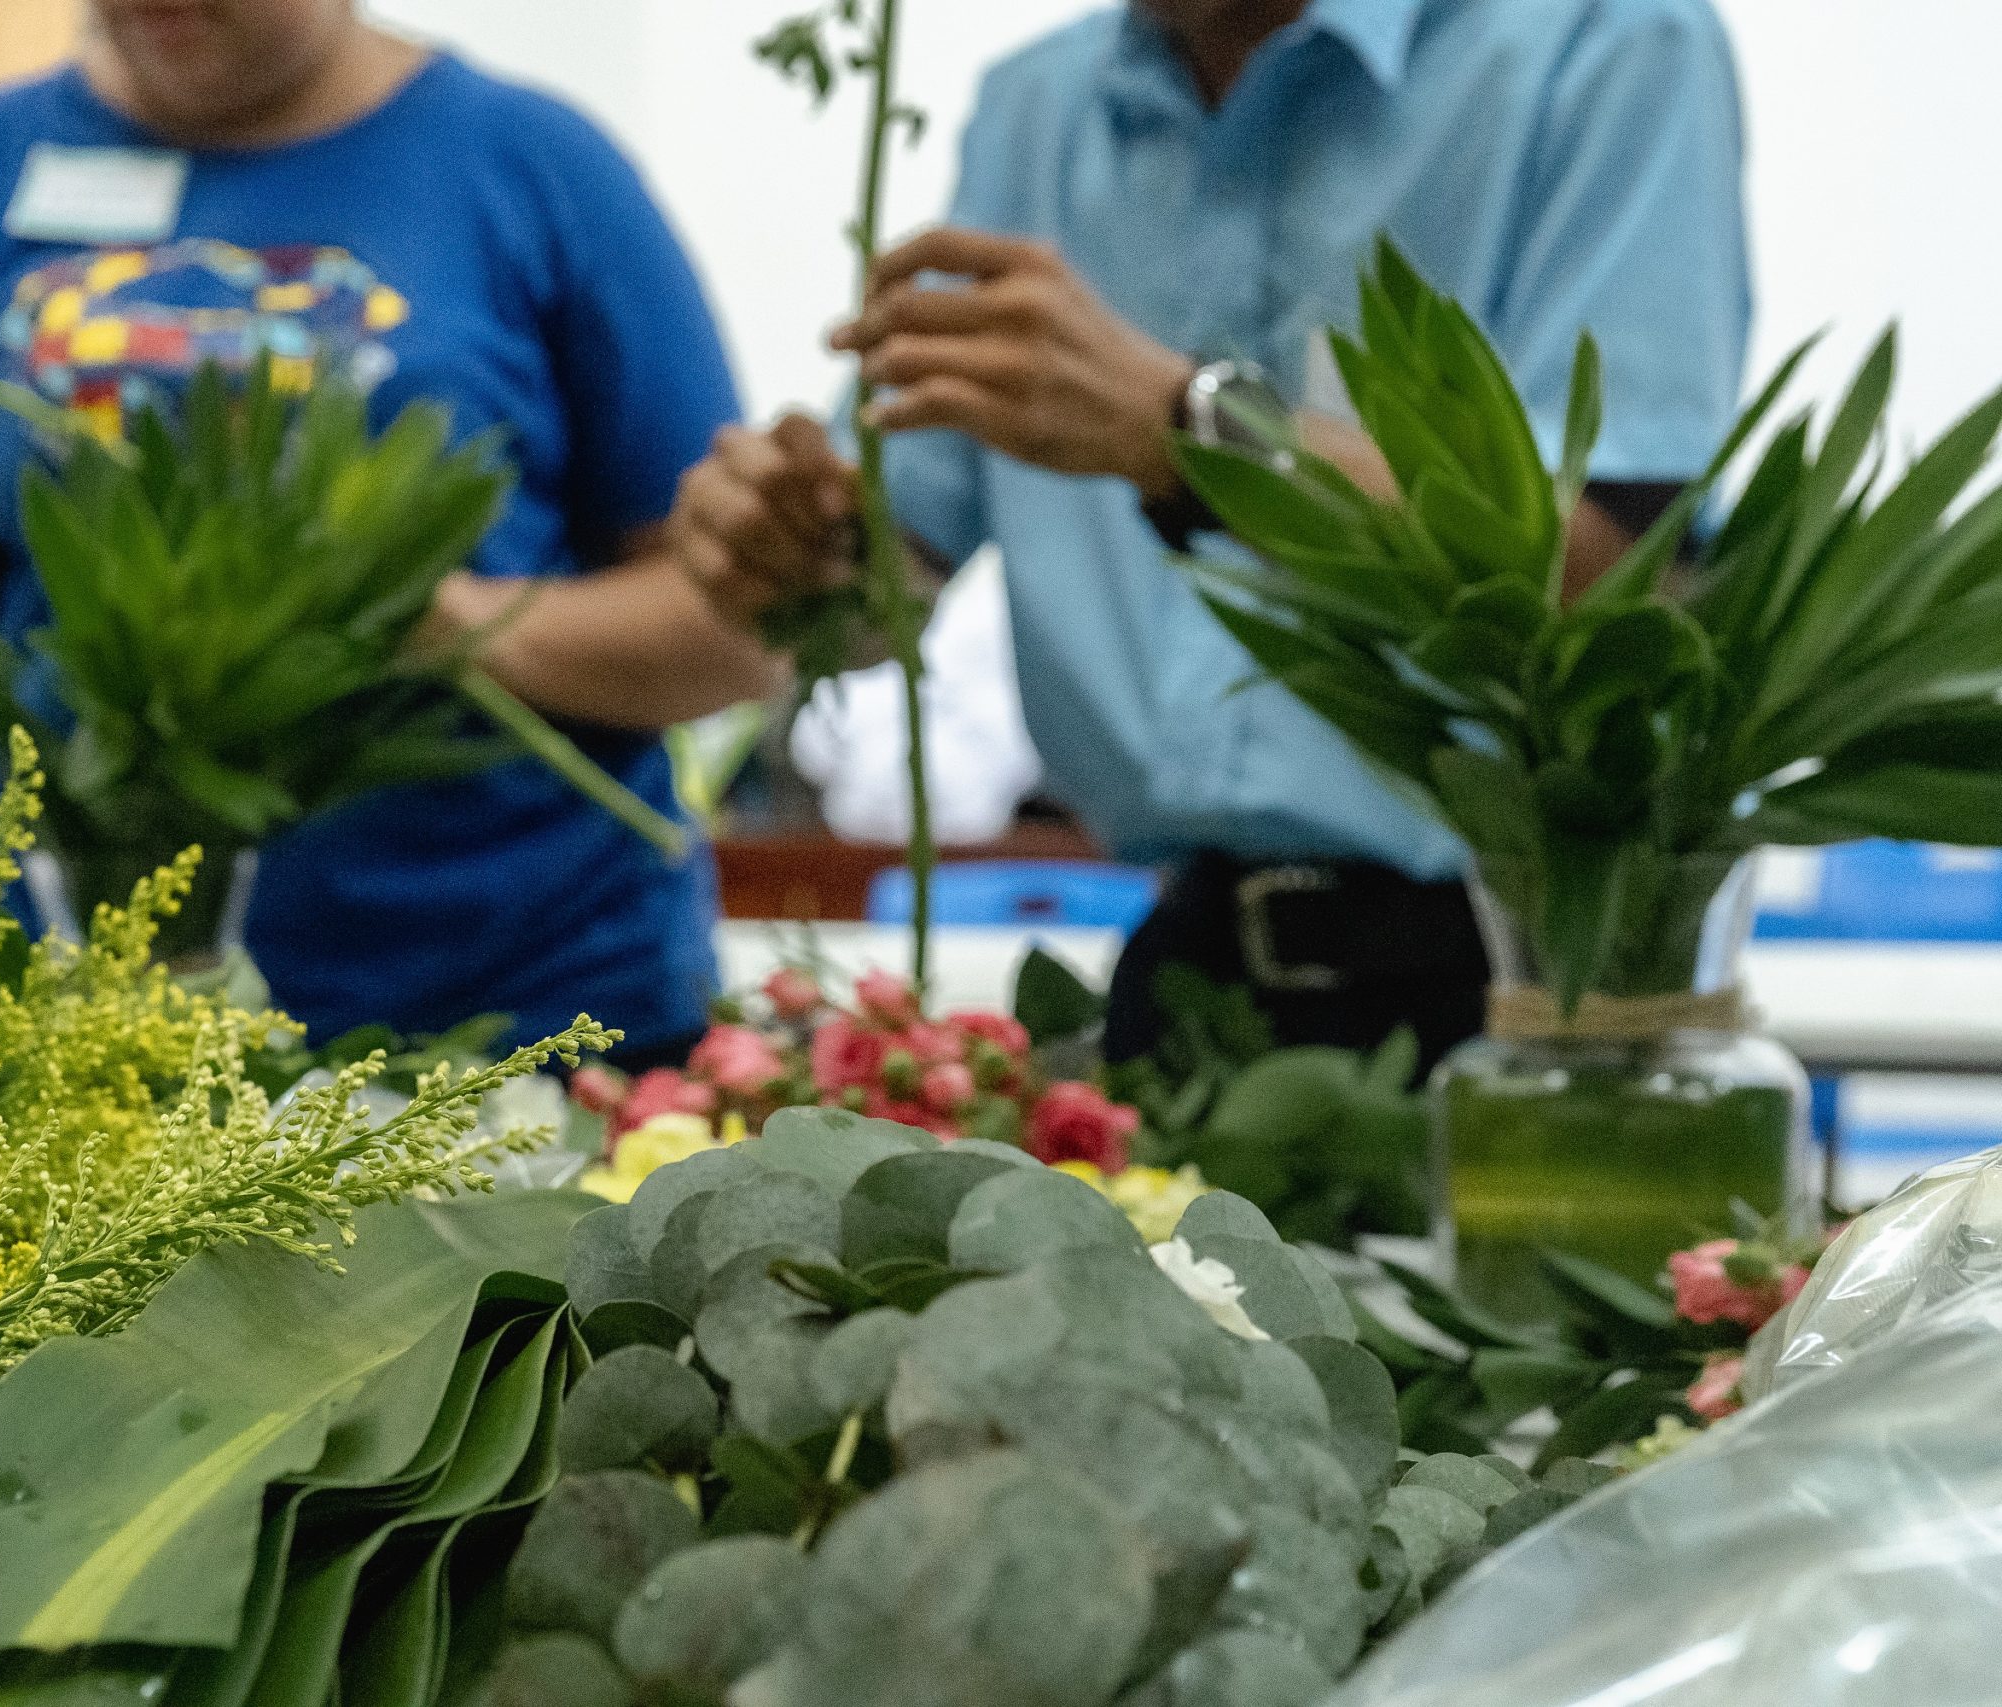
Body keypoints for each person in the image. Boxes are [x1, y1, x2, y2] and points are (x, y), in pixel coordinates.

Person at [0, 0, 780, 1063]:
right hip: (67, 1021)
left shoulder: (533, 166)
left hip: (516, 1016)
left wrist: (421, 616)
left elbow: (735, 632)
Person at [671, 0, 1750, 1067]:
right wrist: (790, 556)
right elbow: (887, 586)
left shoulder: (1605, 43)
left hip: (1527, 984)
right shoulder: (1040, 105)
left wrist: (1196, 435)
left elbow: (1607, 577)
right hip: (1184, 973)